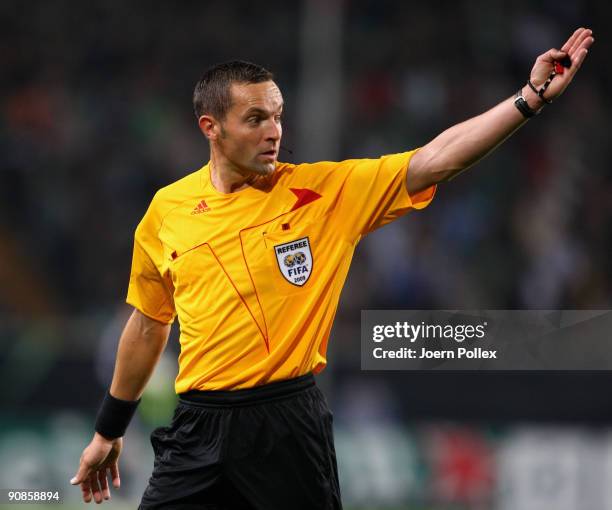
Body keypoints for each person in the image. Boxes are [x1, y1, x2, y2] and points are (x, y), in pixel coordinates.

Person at [71, 27, 593, 509]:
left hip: (286, 426)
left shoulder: (322, 192)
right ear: (211, 127)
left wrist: (529, 100)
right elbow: (147, 324)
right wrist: (108, 431)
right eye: (255, 119)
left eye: (277, 115)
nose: (273, 130)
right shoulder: (167, 210)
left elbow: (436, 159)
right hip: (197, 427)